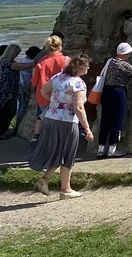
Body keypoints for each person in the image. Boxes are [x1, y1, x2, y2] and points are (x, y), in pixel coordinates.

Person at [29, 55, 94, 199]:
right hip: (67, 121)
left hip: (51, 118)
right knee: (68, 153)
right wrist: (87, 128)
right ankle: (65, 189)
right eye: (87, 66)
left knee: (58, 151)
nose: (88, 68)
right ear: (80, 67)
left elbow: (44, 91)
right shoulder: (78, 83)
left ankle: (45, 179)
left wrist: (55, 103)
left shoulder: (58, 77)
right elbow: (79, 107)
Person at [30, 36, 70, 148]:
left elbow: (34, 81)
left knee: (44, 118)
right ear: (60, 46)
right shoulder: (66, 60)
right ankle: (57, 145)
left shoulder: (41, 62)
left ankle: (41, 140)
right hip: (61, 95)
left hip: (43, 95)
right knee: (61, 120)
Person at [0, 43, 22, 140]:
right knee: (5, 112)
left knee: (2, 111)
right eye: (16, 53)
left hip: (5, 91)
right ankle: (0, 133)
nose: (17, 55)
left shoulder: (0, 61)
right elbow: (18, 67)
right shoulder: (7, 62)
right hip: (5, 92)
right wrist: (35, 63)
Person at [12, 45, 39, 134]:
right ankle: (19, 124)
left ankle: (17, 124)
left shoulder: (23, 60)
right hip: (25, 87)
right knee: (23, 105)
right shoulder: (32, 63)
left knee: (21, 105)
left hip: (20, 85)